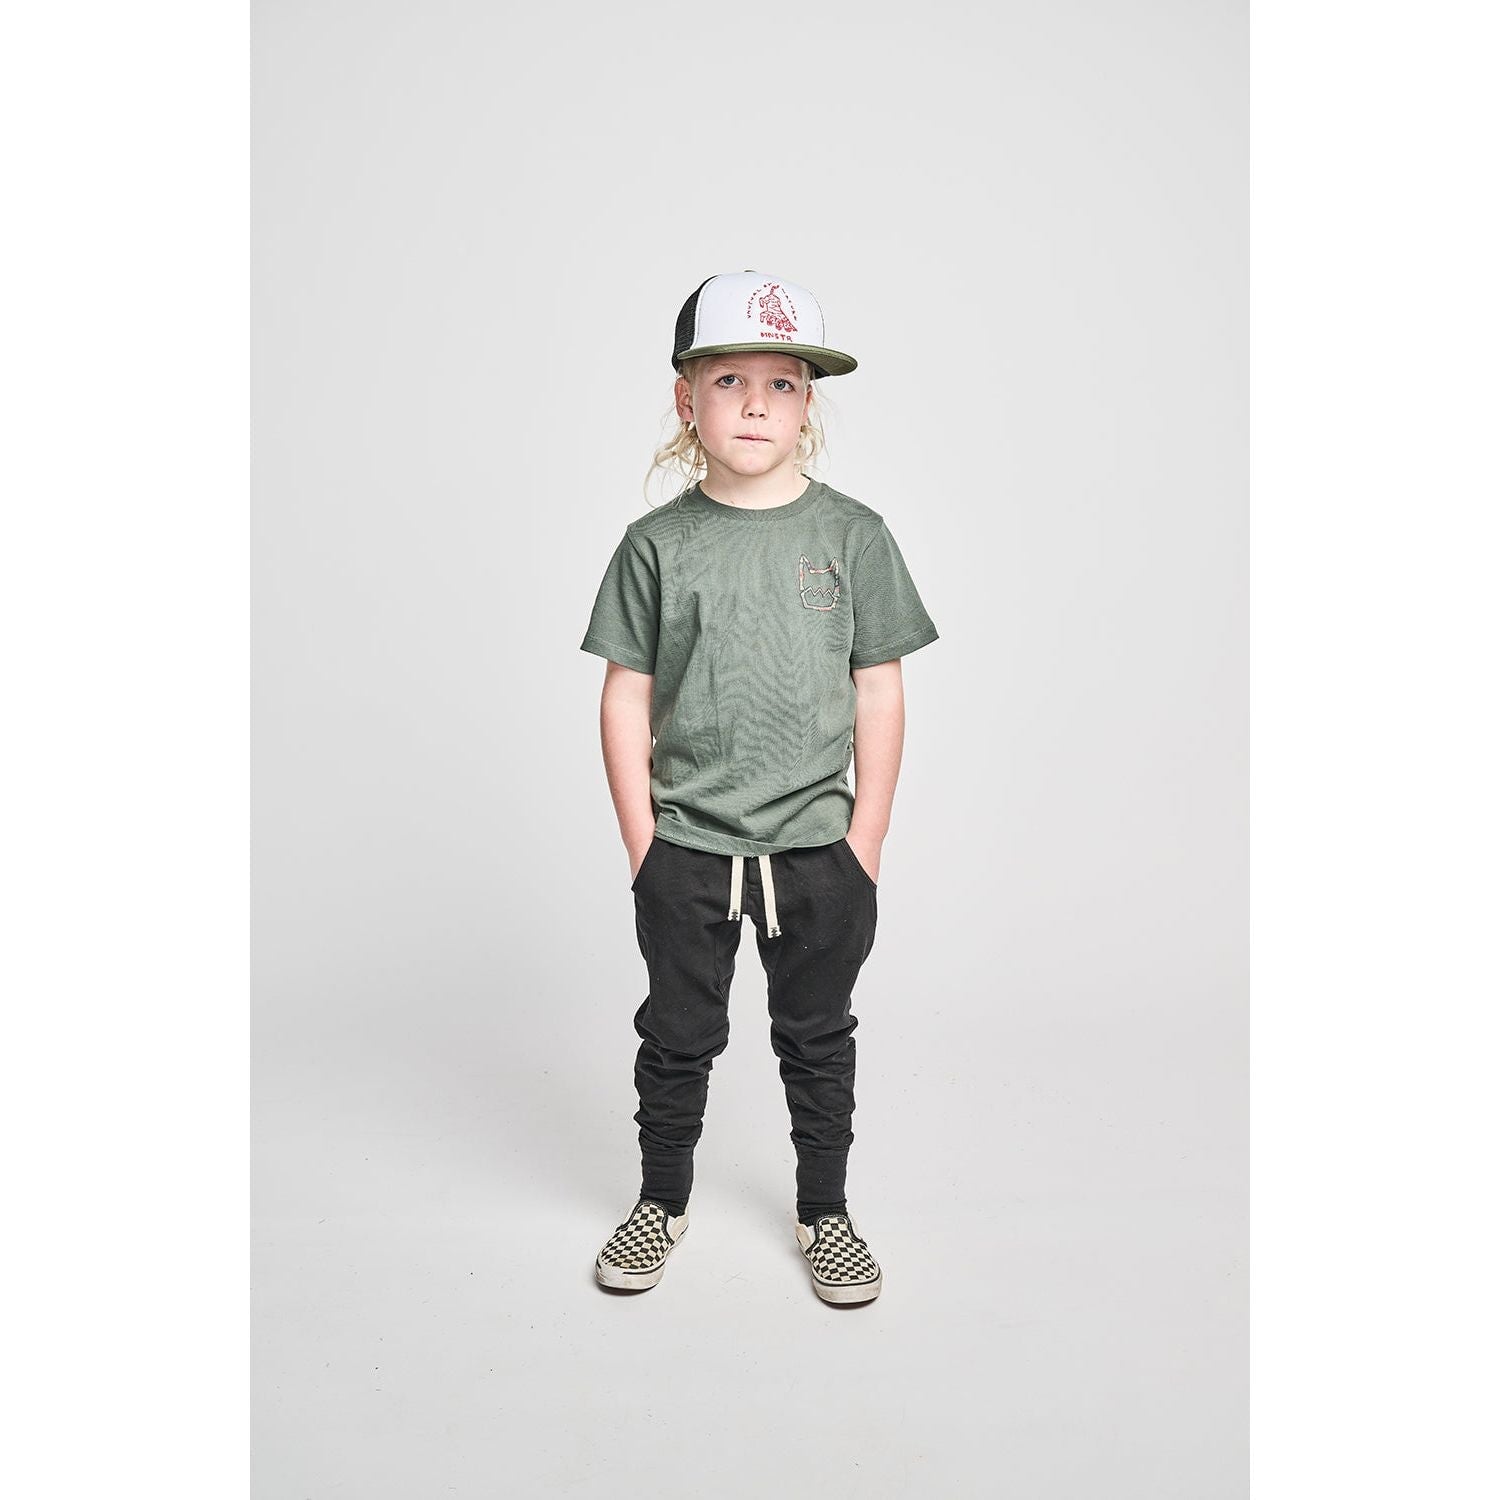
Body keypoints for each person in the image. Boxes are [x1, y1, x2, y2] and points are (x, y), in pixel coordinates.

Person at [579, 270, 939, 1304]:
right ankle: (661, 1200)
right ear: (686, 397)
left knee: (818, 1041)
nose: (754, 405)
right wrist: (644, 845)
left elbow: (880, 689)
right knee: (676, 1038)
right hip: (689, 847)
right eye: (728, 380)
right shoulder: (656, 546)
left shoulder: (853, 536)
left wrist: (866, 841)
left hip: (819, 850)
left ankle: (826, 1213)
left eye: (781, 383)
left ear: (807, 403)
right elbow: (625, 696)